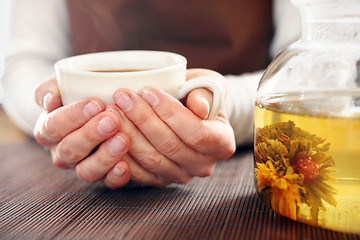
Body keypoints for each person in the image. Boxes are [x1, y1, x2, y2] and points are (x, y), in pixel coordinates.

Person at [1, 0, 300, 189]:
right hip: (72, 170)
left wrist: (219, 108)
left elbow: (301, 68)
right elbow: (24, 62)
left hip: (246, 161)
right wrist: (56, 118)